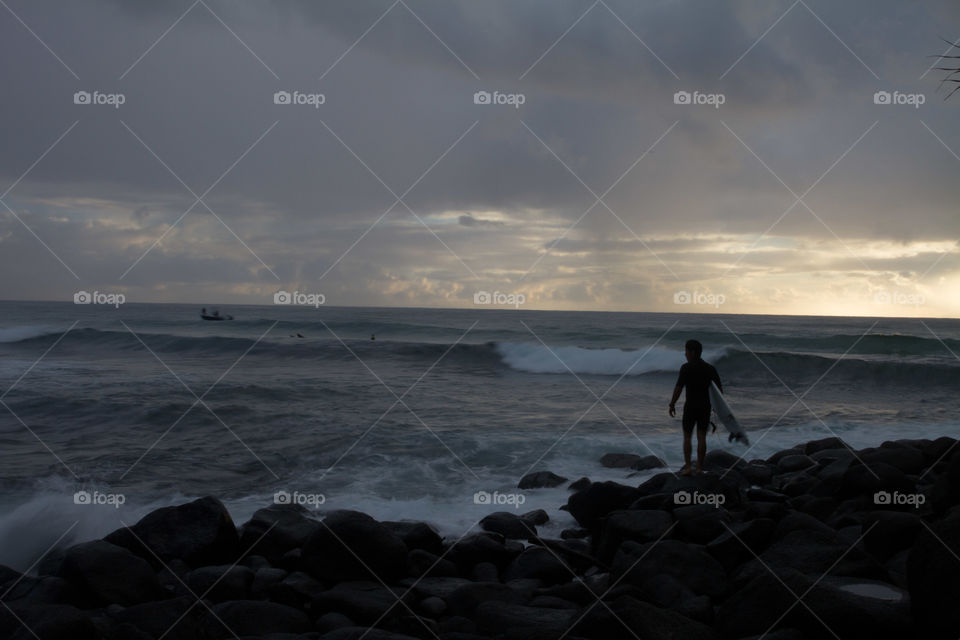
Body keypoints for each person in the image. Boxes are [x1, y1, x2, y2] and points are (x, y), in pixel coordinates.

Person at [668, 339, 722, 476]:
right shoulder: (710, 369)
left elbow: (679, 387)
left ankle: (687, 468)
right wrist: (716, 407)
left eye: (686, 351)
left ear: (692, 352)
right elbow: (719, 391)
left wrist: (672, 403)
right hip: (705, 407)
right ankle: (699, 468)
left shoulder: (686, 368)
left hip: (690, 407)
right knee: (701, 437)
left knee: (687, 437)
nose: (685, 354)